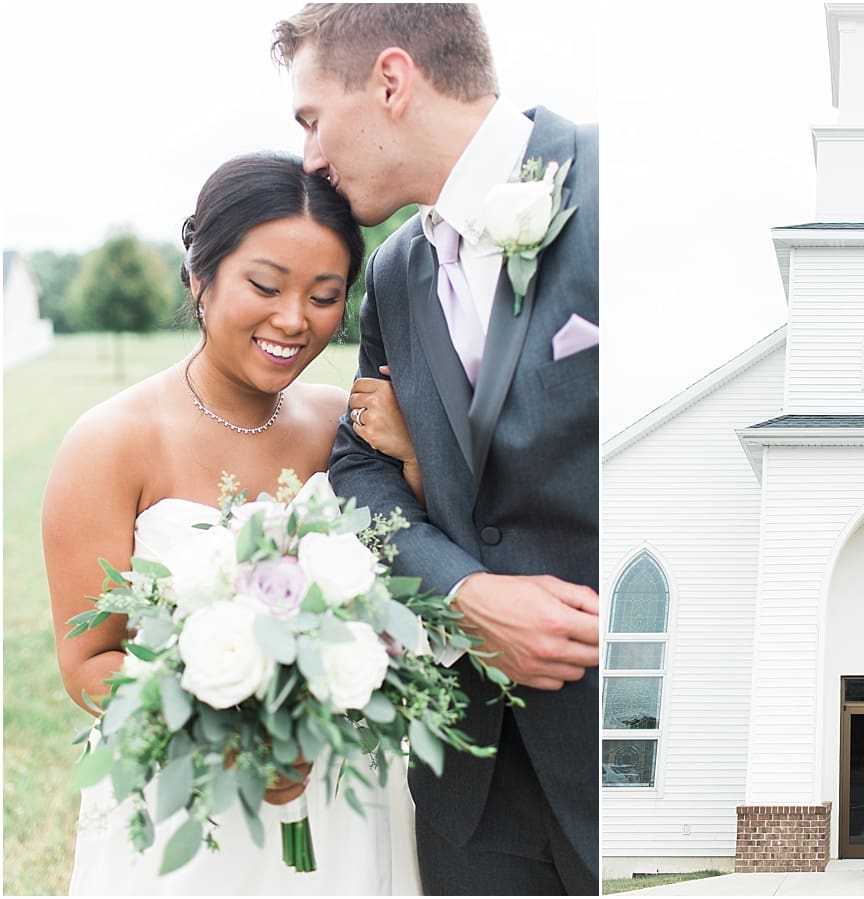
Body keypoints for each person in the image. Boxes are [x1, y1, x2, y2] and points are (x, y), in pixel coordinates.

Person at [271, 4, 599, 894]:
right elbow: (359, 467)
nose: (309, 157)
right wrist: (463, 593)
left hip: (610, 754)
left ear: (390, 80)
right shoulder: (395, 271)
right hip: (468, 781)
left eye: (310, 119)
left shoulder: (610, 182)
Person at [43, 151, 423, 895]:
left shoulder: (344, 421)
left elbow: (411, 567)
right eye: (265, 285)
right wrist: (241, 736)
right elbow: (87, 665)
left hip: (342, 787)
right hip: (191, 793)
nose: (293, 319)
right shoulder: (110, 441)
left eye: (324, 295)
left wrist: (414, 455)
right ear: (200, 275)